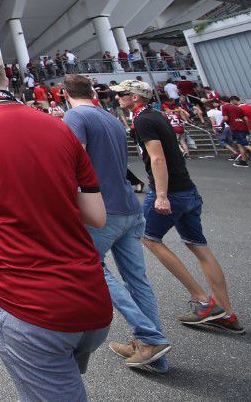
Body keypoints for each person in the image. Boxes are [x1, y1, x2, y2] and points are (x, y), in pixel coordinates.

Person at [0, 48, 111, 402]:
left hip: (29, 304)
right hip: (91, 300)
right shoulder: (60, 129)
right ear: (6, 79)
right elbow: (96, 215)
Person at [112, 79, 245, 334]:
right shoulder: (157, 115)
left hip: (170, 191)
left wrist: (161, 195)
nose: (118, 98)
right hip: (187, 189)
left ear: (136, 97)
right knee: (199, 246)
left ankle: (202, 300)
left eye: (123, 94)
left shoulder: (143, 120)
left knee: (150, 239)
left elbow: (157, 157)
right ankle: (227, 313)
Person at [63, 75, 171, 372]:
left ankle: (149, 335)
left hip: (102, 208)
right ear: (93, 91)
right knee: (137, 279)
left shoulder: (75, 115)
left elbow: (75, 160)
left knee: (93, 267)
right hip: (128, 206)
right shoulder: (110, 118)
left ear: (65, 93)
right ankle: (153, 351)